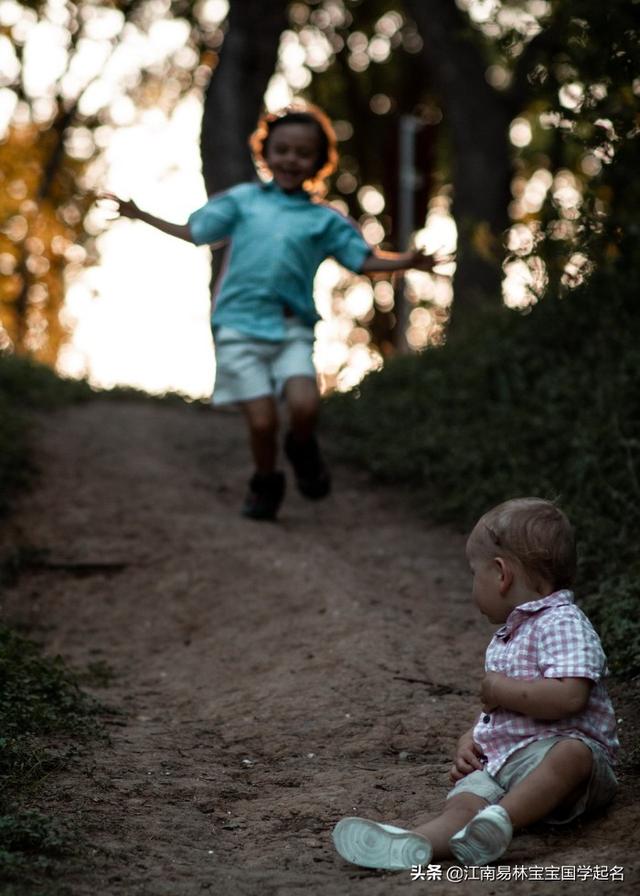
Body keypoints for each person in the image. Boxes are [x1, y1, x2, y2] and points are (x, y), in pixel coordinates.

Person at [101, 104, 448, 521]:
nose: (291, 159)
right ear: (265, 153)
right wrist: (140, 215)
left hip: (291, 328)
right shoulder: (243, 201)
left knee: (305, 405)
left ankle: (302, 448)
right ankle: (265, 481)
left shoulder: (324, 219)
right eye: (282, 150)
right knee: (262, 422)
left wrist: (407, 260)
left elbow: (363, 260)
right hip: (238, 327)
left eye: (303, 153)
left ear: (318, 163)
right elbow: (195, 232)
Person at [332, 497, 618, 870]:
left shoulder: (562, 622)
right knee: (466, 800)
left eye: (474, 573)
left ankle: (501, 822)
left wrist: (498, 690)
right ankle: (416, 844)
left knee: (572, 753)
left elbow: (569, 698)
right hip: (506, 765)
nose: (473, 585)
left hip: (569, 770)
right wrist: (472, 739)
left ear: (501, 575)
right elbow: (502, 714)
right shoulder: (510, 635)